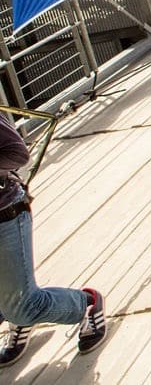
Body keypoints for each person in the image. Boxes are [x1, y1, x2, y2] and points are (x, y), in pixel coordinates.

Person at [0, 114, 106, 366]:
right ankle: (16, 312)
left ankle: (87, 305)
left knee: (24, 307)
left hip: (5, 215)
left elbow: (17, 153)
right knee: (12, 302)